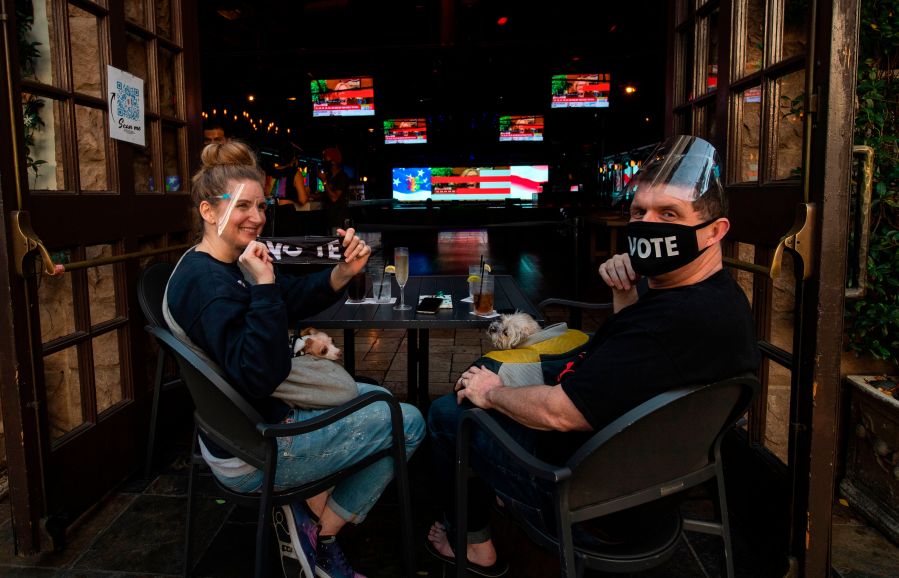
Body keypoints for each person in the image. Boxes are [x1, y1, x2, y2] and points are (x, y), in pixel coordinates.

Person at [425, 135, 761, 576]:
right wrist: (626, 295)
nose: (648, 224)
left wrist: (492, 395)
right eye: (640, 211)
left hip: (586, 492)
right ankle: (491, 483)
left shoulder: (673, 324)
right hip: (639, 469)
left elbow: (562, 414)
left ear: (715, 231)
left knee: (451, 411)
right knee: (486, 370)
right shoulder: (717, 299)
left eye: (669, 214)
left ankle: (473, 543)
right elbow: (638, 360)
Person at [165, 140, 425, 578]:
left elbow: (290, 297)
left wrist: (341, 273)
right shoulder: (208, 284)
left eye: (261, 206)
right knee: (409, 422)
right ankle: (319, 535)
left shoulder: (226, 263)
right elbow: (258, 375)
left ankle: (307, 514)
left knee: (380, 396)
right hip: (252, 449)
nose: (258, 217)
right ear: (209, 212)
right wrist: (264, 286)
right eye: (243, 206)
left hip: (253, 422)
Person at [318, 147, 350, 233]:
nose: (323, 161)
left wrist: (324, 181)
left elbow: (334, 198)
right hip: (329, 220)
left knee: (337, 245)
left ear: (333, 161)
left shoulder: (342, 177)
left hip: (338, 221)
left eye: (325, 159)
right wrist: (311, 196)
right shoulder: (329, 176)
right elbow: (327, 195)